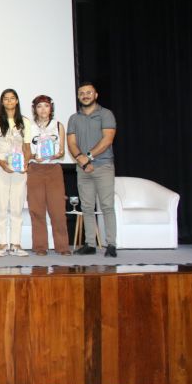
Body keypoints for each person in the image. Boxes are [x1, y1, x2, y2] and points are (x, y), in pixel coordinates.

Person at [67, 82, 118, 257]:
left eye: (89, 92)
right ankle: (90, 244)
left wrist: (87, 157)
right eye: (82, 93)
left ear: (95, 95)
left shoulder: (106, 114)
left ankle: (111, 244)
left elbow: (107, 140)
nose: (85, 95)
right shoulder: (74, 118)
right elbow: (71, 143)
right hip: (82, 168)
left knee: (107, 206)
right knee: (87, 207)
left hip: (103, 166)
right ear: (78, 96)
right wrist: (82, 160)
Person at [0, 89, 32, 257]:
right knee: (1, 207)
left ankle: (16, 244)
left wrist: (26, 162)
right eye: (6, 99)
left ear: (17, 101)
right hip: (1, 167)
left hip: (19, 168)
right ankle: (2, 244)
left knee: (17, 207)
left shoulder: (25, 121)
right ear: (2, 102)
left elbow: (27, 147)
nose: (9, 101)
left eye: (12, 98)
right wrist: (1, 163)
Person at [26, 95, 71, 256]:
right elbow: (26, 151)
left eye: (46, 106)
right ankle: (40, 247)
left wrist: (56, 154)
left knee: (57, 209)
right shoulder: (29, 127)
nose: (43, 109)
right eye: (39, 106)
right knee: (37, 209)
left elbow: (62, 152)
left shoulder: (58, 125)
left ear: (51, 108)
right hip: (35, 169)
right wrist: (33, 156)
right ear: (34, 109)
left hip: (53, 169)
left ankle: (62, 247)